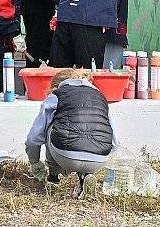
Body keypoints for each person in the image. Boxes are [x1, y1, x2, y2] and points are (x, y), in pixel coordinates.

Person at [25, 69, 116, 199]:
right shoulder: (101, 97)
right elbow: (115, 141)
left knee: (51, 125)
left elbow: (34, 137)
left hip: (65, 154)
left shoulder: (57, 95)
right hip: (99, 159)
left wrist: (34, 161)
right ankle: (86, 175)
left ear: (56, 86)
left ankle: (53, 177)